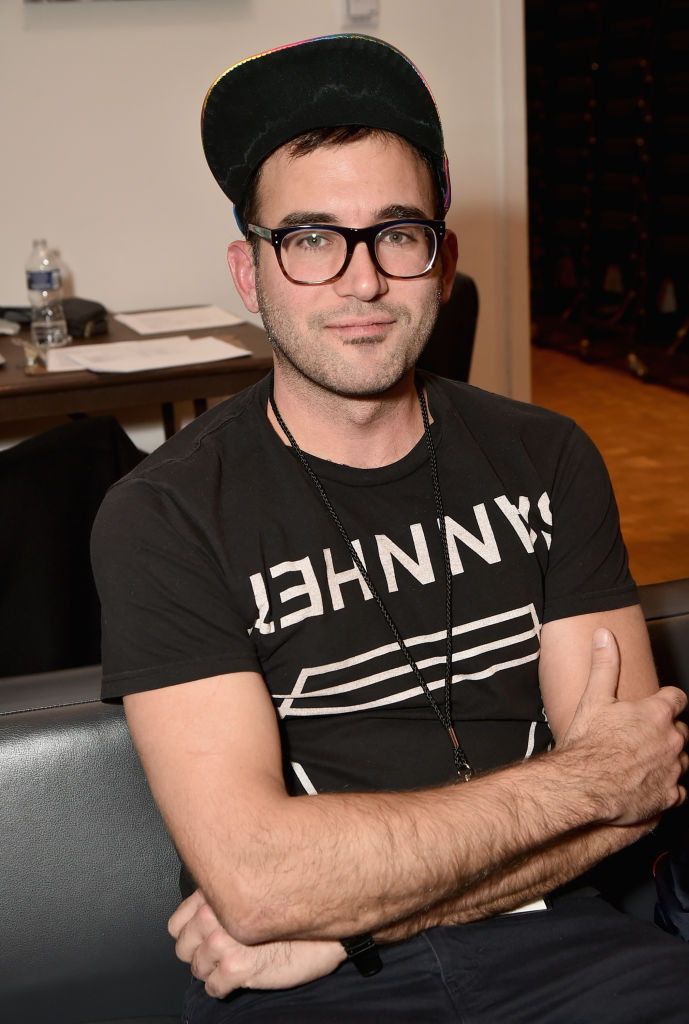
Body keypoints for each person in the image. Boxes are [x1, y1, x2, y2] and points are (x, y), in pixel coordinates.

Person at [92, 34, 689, 1023]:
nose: (360, 281)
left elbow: (637, 789)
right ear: (251, 273)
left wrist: (352, 919)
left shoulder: (547, 458)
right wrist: (574, 783)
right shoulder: (163, 514)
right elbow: (255, 884)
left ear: (441, 257)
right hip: (298, 997)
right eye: (311, 237)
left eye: (396, 232)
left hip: (563, 947)